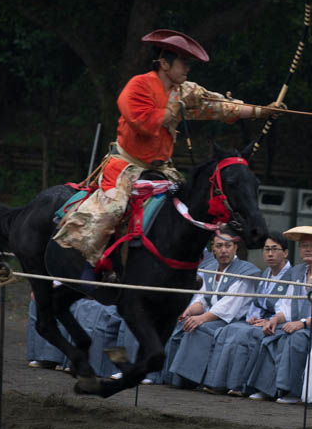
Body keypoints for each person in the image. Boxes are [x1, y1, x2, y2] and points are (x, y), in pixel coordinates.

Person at [53, 29, 275, 276]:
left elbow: (217, 106)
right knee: (111, 210)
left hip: (161, 168)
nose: (187, 69)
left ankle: (185, 268)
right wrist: (174, 107)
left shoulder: (183, 90)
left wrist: (261, 111)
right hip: (126, 166)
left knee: (190, 205)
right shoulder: (138, 86)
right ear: (163, 63)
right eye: (183, 63)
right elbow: (144, 123)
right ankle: (92, 267)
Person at [247, 226, 312, 404]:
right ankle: (267, 388)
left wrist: (303, 323)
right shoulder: (296, 272)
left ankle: (292, 391)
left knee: (296, 339)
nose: (308, 249)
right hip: (296, 325)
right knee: (271, 336)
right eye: (304, 246)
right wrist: (275, 319)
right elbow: (286, 303)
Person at [164, 228, 260, 388]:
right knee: (181, 323)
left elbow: (228, 307)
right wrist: (187, 312)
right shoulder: (209, 268)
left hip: (232, 320)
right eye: (219, 246)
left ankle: (189, 380)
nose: (224, 250)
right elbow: (201, 300)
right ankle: (170, 378)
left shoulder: (245, 272)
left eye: (228, 246)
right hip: (213, 316)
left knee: (199, 328)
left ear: (235, 247)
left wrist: (200, 318)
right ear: (213, 249)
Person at [201, 231, 292, 395]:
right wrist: (253, 316)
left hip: (279, 321)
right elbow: (257, 301)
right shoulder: (266, 273)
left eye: (275, 249)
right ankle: (219, 382)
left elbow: (288, 306)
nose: (270, 254)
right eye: (266, 249)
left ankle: (241, 386)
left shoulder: (292, 275)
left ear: (285, 253)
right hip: (261, 320)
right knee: (230, 329)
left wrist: (271, 320)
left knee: (245, 334)